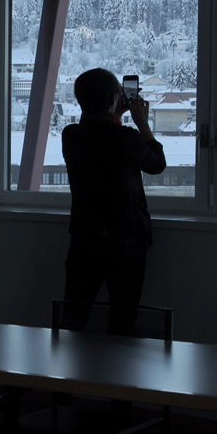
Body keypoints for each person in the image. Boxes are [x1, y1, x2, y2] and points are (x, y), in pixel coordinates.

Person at [61, 68, 166, 335]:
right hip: (125, 241)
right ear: (114, 98)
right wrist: (142, 122)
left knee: (73, 316)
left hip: (84, 239)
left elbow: (99, 133)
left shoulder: (70, 136)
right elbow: (157, 163)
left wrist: (113, 113)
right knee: (122, 319)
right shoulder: (126, 138)